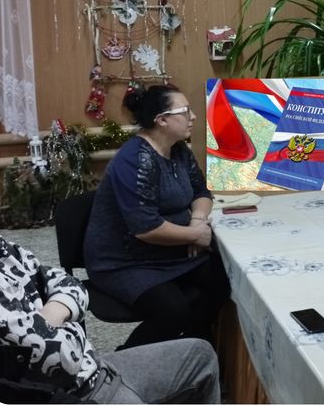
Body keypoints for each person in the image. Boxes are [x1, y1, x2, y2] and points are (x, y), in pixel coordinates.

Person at [0, 186, 221, 403]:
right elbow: (62, 358)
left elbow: (65, 281)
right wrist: (66, 318)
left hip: (97, 367)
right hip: (77, 394)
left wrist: (52, 315)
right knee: (172, 308)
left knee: (201, 353)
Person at [84, 84, 230, 350]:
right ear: (162, 120)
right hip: (125, 261)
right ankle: (120, 364)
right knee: (172, 312)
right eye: (185, 111)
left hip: (170, 249)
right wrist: (193, 235)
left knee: (224, 275)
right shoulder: (136, 159)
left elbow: (201, 191)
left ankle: (193, 345)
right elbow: (145, 227)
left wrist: (197, 220)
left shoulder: (179, 150)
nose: (193, 117)